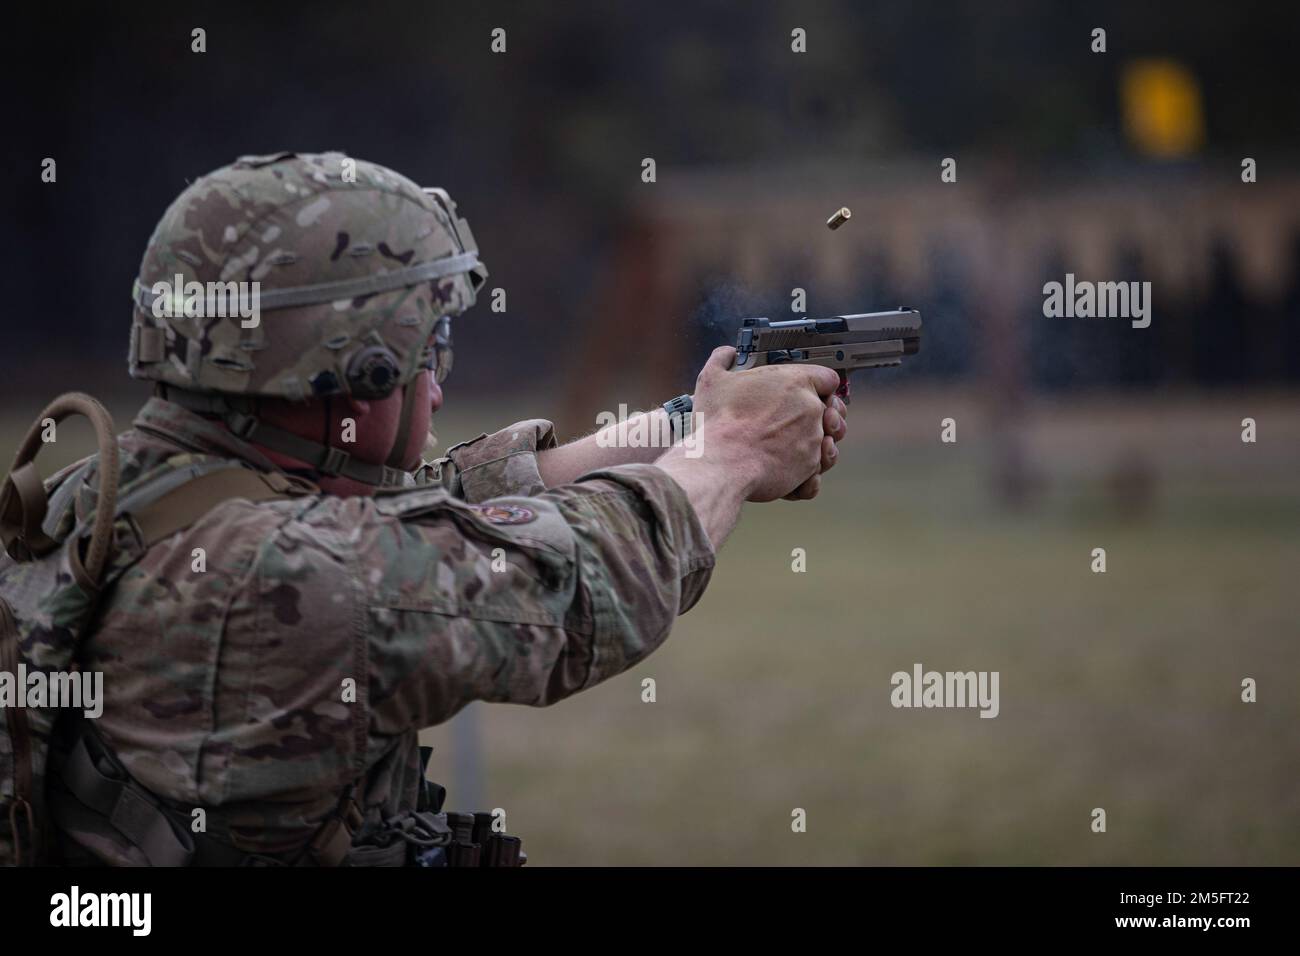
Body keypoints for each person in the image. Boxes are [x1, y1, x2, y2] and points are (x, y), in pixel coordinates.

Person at [3, 151, 847, 866]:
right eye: (427, 346)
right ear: (354, 365)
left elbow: (425, 506)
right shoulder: (280, 581)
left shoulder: (121, 491)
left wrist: (688, 424)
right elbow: (579, 582)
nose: (437, 379)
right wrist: (733, 454)